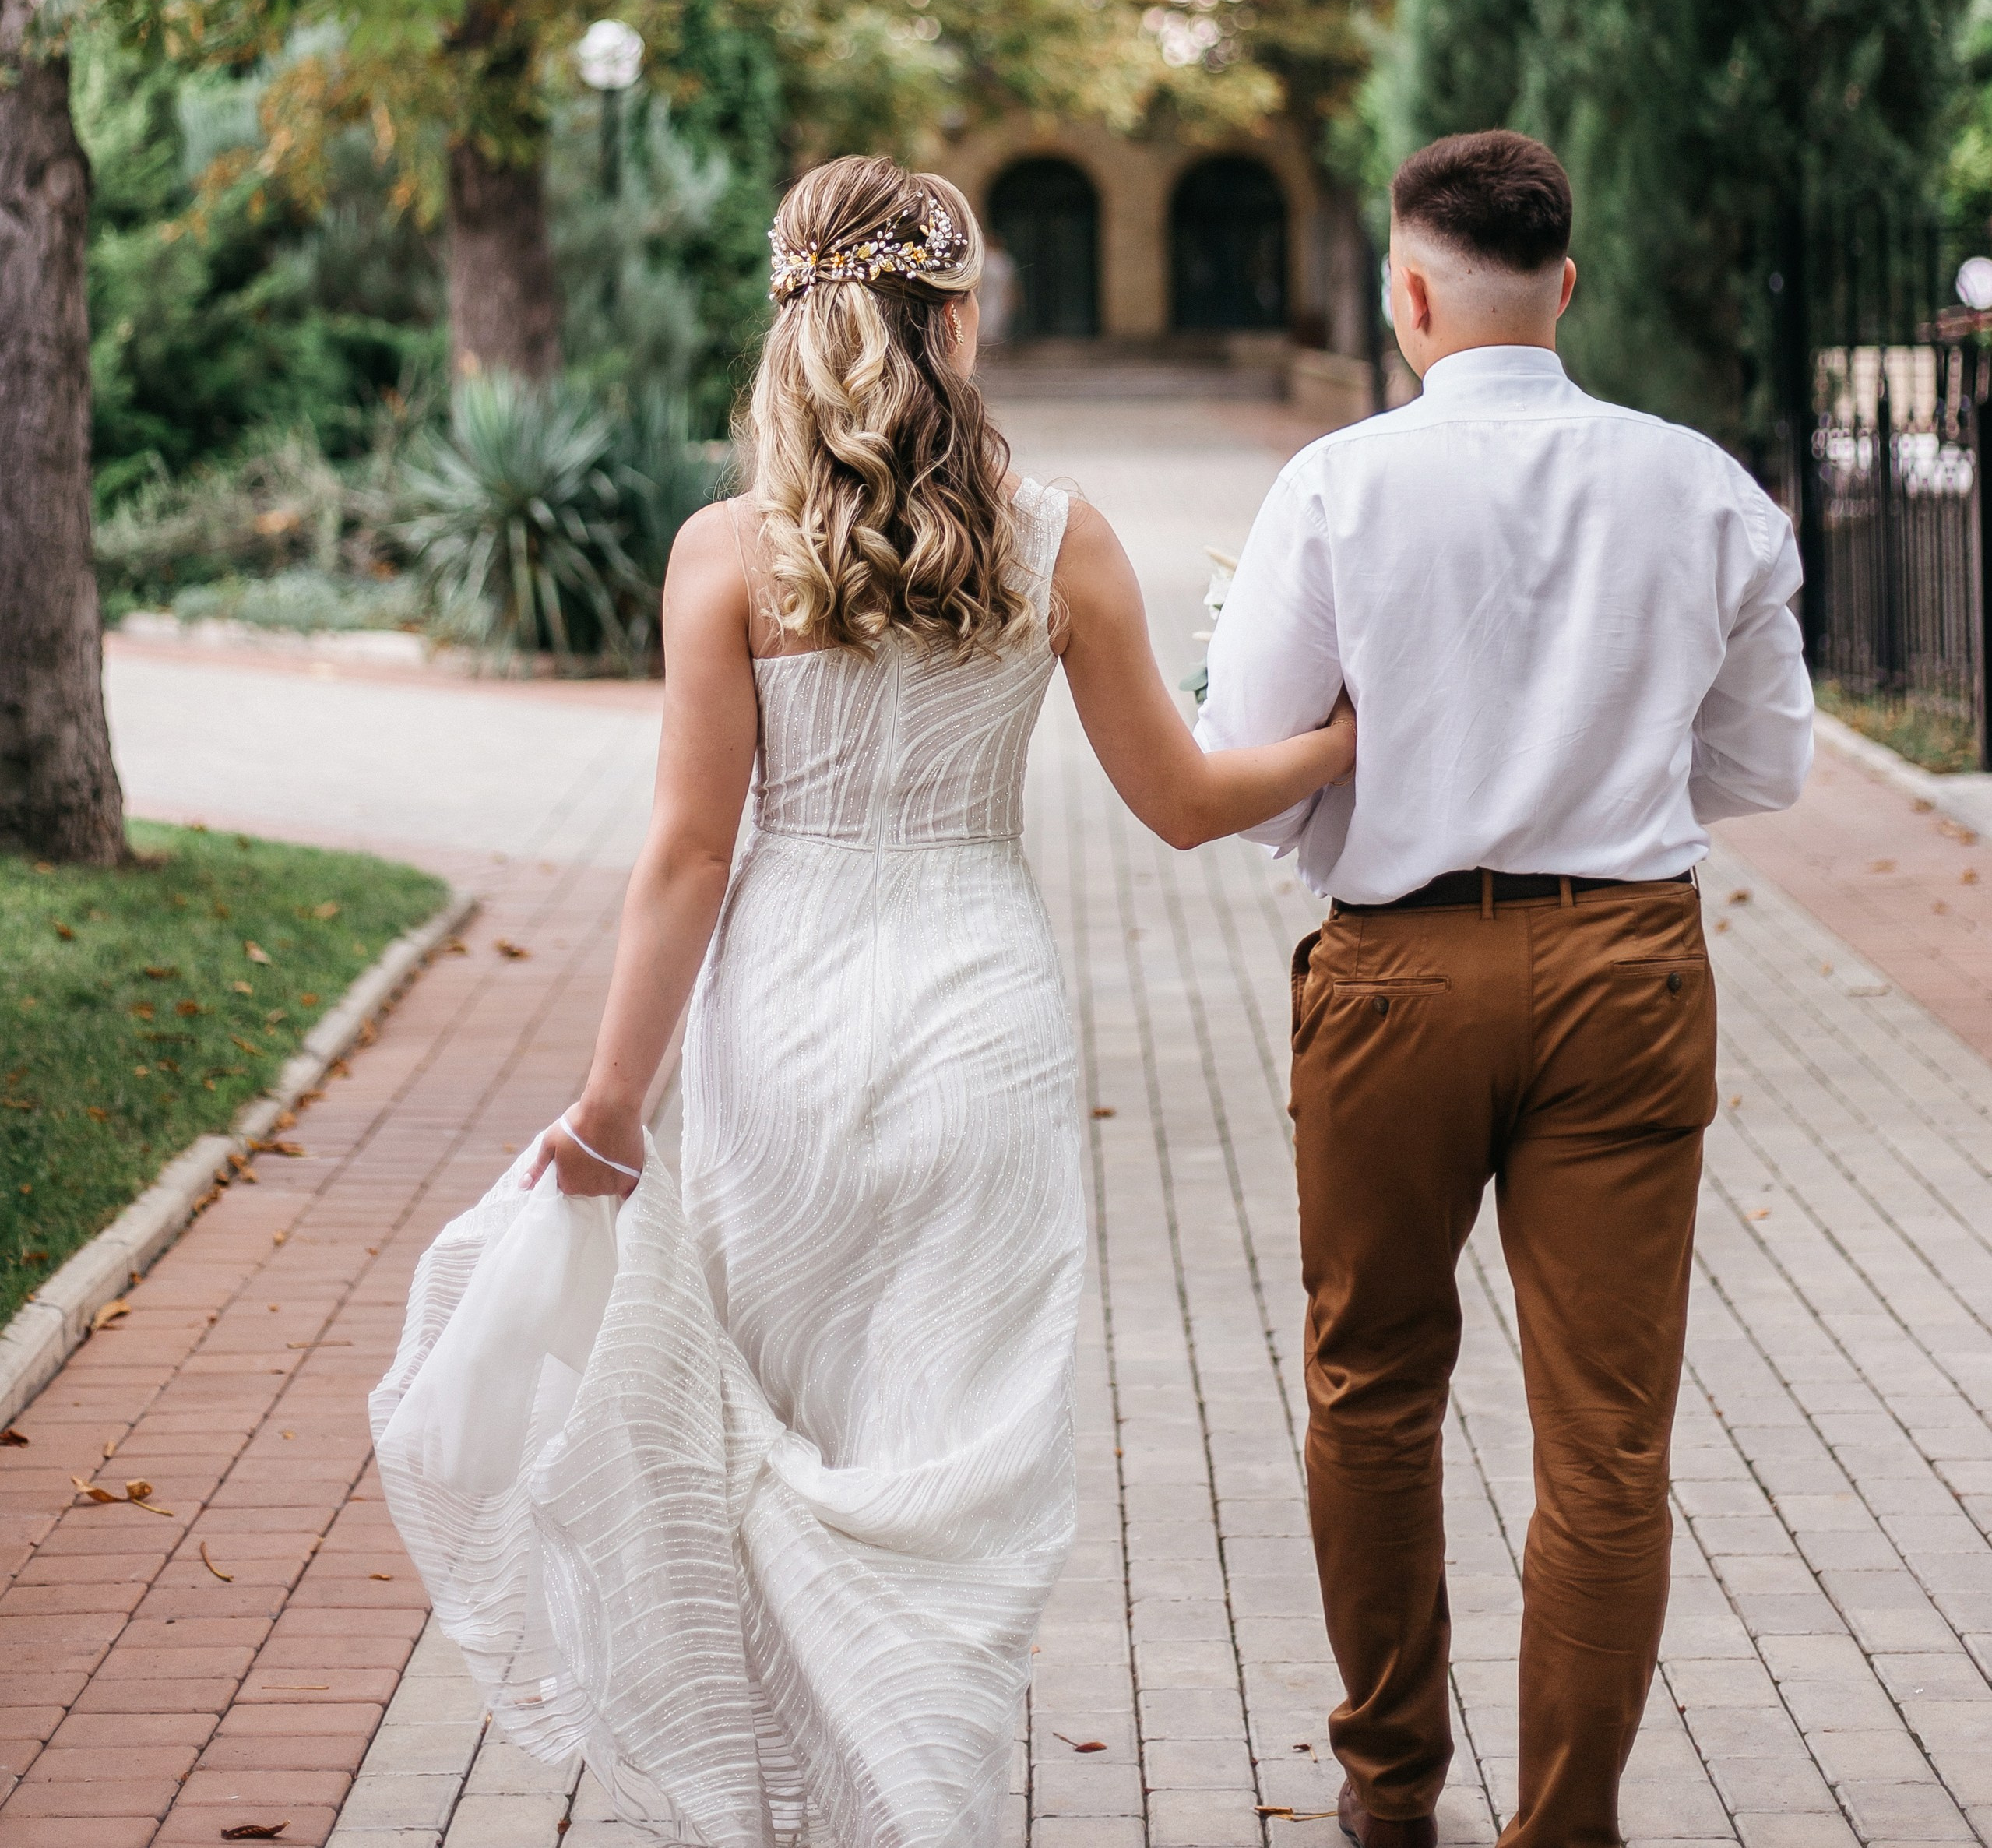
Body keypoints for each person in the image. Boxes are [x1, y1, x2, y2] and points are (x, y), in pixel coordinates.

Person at [375, 154, 1353, 1848]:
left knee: (781, 1434)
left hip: (786, 1028)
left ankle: (809, 1806)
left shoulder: (724, 552)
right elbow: (1188, 800)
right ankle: (930, 1795)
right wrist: (1347, 737)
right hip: (982, 1022)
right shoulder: (1062, 537)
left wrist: (613, 1108)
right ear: (955, 315)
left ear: (791, 324)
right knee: (953, 1475)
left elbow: (686, 854)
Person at [1197, 128, 1813, 1848]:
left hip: (1394, 968)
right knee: (1607, 1433)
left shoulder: (1334, 487)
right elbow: (1765, 768)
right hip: (1626, 962)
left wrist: (1394, 783)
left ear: (1406, 291)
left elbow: (1251, 749)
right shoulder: (1697, 484)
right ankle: (1567, 1826)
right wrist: (1597, 757)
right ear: (1567, 279)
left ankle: (1388, 1790)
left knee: (1370, 1380)